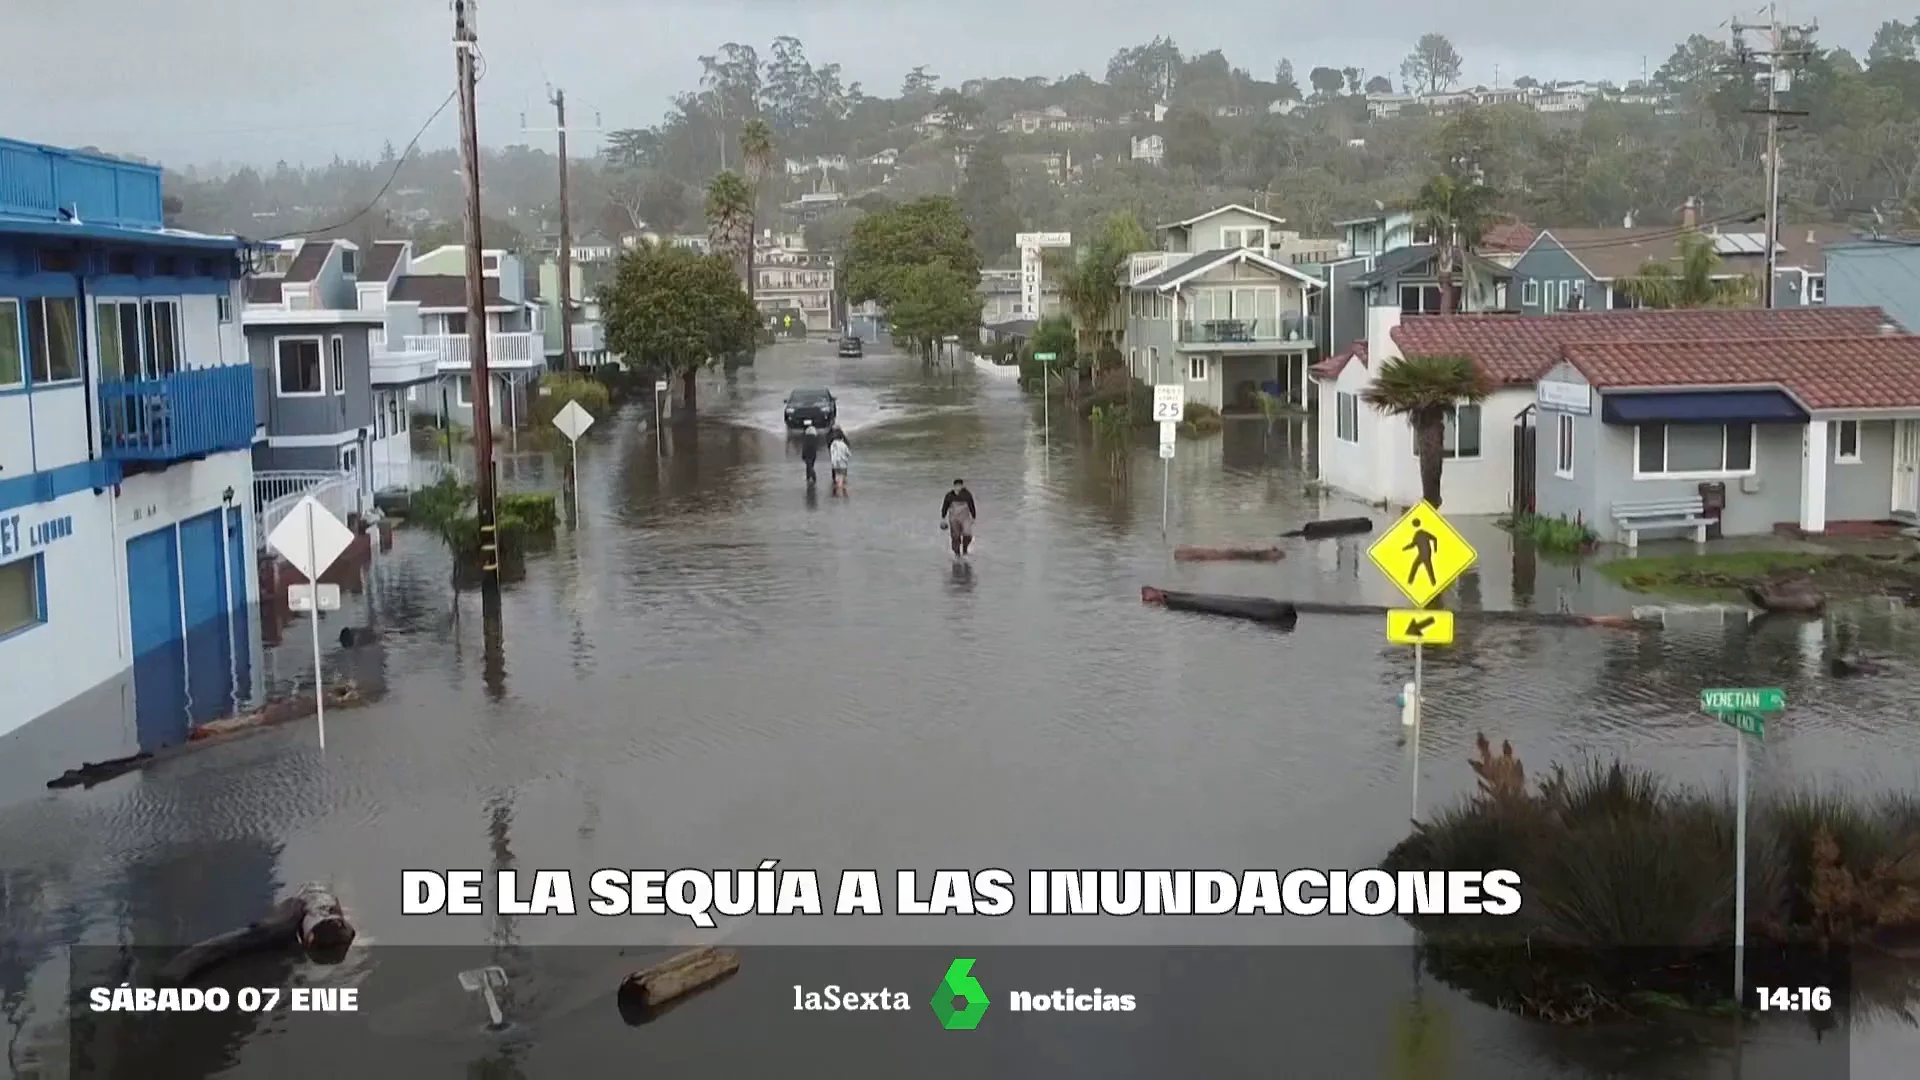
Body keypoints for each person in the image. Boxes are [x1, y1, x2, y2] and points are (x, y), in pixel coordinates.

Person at [940, 479, 977, 556]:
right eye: (956, 486)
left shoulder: (967, 495)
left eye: (959, 486)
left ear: (962, 486)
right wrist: (943, 518)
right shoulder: (949, 495)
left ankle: (965, 549)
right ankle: (957, 554)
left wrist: (973, 517)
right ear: (954, 486)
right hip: (954, 518)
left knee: (967, 534)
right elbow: (945, 507)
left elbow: (971, 506)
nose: (958, 487)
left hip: (965, 518)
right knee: (955, 536)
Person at [799, 422, 820, 487]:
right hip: (813, 454)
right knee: (810, 465)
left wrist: (803, 455)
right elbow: (816, 448)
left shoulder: (806, 439)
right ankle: (809, 477)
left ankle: (812, 477)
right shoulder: (815, 439)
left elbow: (804, 447)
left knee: (809, 466)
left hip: (807, 454)